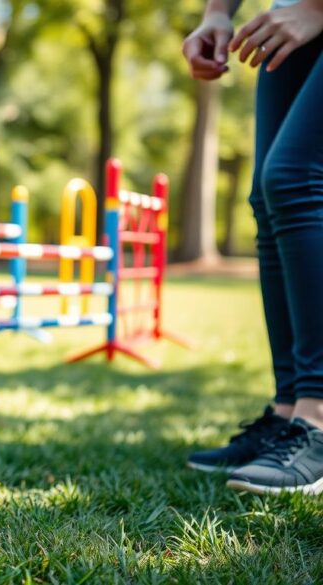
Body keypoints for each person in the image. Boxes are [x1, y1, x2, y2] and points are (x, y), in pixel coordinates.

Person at [182, 0, 323, 494]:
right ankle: (289, 412)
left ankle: (318, 416)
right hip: (289, 13)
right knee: (268, 198)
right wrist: (216, 14)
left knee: (294, 178)